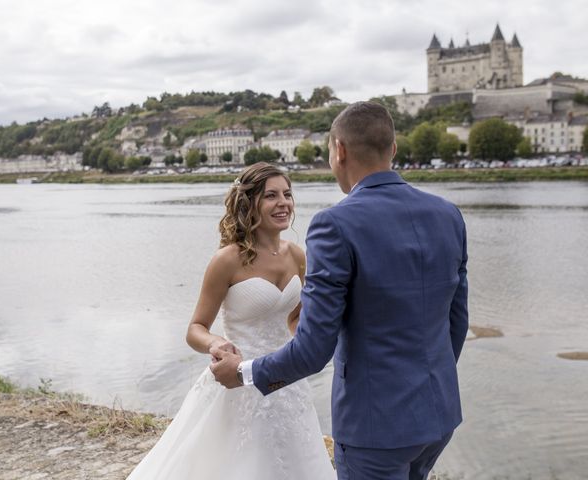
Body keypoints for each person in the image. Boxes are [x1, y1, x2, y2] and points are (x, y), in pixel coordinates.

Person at [211, 102, 469, 480]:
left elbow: (315, 350)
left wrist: (243, 372)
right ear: (393, 149)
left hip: (375, 426)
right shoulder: (448, 214)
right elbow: (457, 322)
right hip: (439, 415)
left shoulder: (335, 224)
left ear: (339, 151)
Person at [126, 162, 335, 479]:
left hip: (288, 378)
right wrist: (218, 344)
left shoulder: (298, 255)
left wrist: (306, 340)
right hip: (237, 377)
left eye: (288, 194)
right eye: (271, 196)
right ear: (249, 203)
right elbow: (195, 329)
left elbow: (296, 316)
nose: (283, 203)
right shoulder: (227, 259)